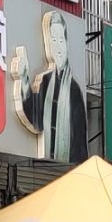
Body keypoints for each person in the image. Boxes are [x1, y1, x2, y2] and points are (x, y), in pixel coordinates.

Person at [12, 10, 87, 164]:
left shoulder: (75, 92)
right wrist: (24, 78)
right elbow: (36, 120)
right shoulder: (45, 80)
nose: (58, 47)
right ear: (48, 44)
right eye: (53, 40)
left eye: (61, 40)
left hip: (69, 173)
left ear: (66, 43)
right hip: (44, 167)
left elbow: (80, 147)